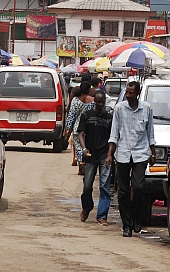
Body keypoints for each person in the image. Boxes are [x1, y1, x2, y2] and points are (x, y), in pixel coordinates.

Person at [106, 81, 155, 237]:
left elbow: (150, 133)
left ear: (137, 94)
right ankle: (127, 225)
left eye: (131, 93)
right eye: (126, 92)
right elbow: (114, 133)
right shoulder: (120, 109)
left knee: (139, 187)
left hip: (141, 153)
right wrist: (109, 154)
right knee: (123, 191)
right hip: (123, 154)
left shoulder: (146, 109)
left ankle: (136, 218)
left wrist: (153, 153)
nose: (128, 95)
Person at [78, 90, 113, 225]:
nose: (100, 104)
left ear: (104, 102)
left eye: (102, 102)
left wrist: (110, 154)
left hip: (104, 154)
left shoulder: (109, 118)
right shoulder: (87, 115)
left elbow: (112, 138)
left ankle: (102, 215)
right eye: (97, 102)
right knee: (87, 185)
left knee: (104, 186)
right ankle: (86, 207)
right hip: (90, 154)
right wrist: (84, 148)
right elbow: (81, 134)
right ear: (94, 101)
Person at [65, 82, 94, 175]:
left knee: (78, 147)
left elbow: (71, 115)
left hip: (78, 127)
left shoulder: (75, 100)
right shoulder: (93, 101)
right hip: (90, 128)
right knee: (87, 146)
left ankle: (81, 162)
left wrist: (68, 128)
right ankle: (86, 162)